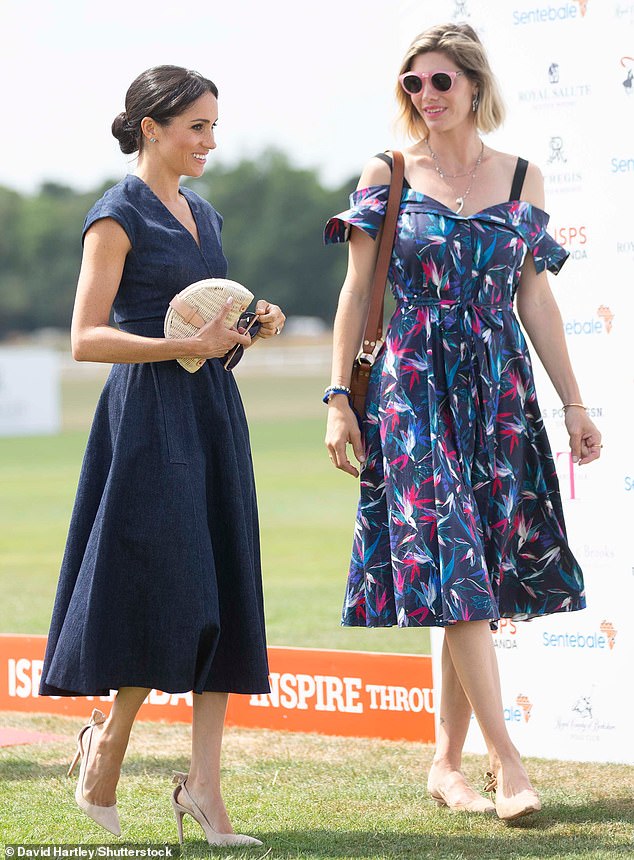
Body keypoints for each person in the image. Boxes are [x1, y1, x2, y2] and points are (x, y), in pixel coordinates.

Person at [323, 23, 601, 821]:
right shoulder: (389, 172)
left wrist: (574, 402)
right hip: (410, 386)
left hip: (498, 390)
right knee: (457, 564)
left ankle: (445, 764)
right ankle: (508, 766)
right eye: (413, 84)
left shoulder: (522, 178)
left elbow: (535, 297)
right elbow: (355, 290)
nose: (426, 97)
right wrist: (340, 397)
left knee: (468, 575)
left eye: (440, 82)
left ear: (474, 85)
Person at [39, 65, 285, 846]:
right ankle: (108, 740)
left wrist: (251, 324)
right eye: (197, 127)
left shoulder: (205, 215)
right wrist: (187, 342)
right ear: (152, 128)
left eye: (215, 125)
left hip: (212, 414)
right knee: (169, 590)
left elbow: (214, 321)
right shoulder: (115, 217)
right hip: (145, 419)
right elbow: (86, 338)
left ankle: (206, 795)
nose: (211, 140)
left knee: (226, 597)